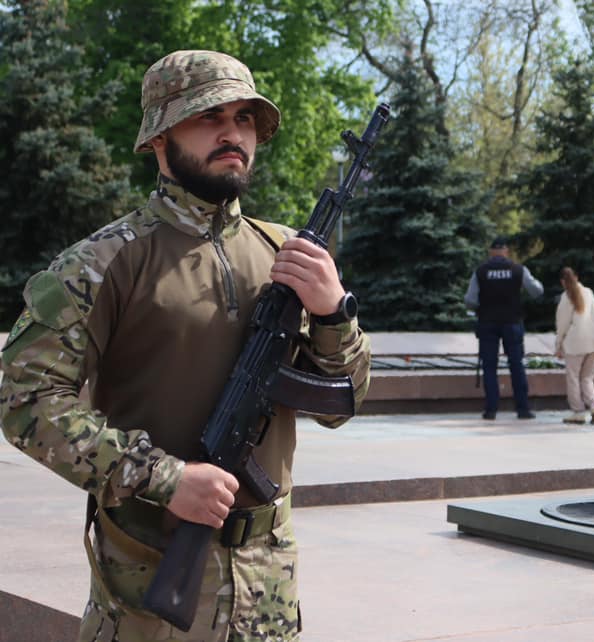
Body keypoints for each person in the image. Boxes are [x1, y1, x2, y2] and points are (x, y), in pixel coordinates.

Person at [0, 50, 371, 641]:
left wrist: (333, 311)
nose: (233, 134)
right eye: (209, 117)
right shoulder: (102, 262)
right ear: (159, 137)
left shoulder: (287, 254)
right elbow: (25, 401)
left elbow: (339, 404)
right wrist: (163, 477)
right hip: (148, 580)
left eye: (244, 118)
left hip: (268, 587)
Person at [464, 236, 544, 420]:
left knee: (489, 367)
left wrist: (479, 307)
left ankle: (491, 410)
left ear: (491, 252)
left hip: (487, 323)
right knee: (516, 365)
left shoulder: (480, 271)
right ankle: (523, 409)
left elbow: (470, 300)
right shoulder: (518, 269)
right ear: (506, 251)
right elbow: (537, 291)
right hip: (512, 322)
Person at [555, 267, 594, 424]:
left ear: (562, 282)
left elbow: (562, 324)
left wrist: (558, 345)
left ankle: (578, 412)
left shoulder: (566, 297)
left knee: (573, 378)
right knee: (587, 377)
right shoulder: (589, 292)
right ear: (577, 277)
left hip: (575, 344)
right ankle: (593, 406)